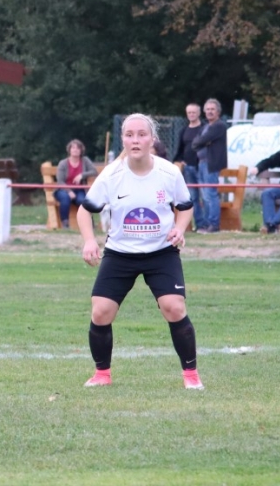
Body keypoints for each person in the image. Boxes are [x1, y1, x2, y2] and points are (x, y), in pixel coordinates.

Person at [76, 113, 202, 390]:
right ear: (123, 139)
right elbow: (85, 211)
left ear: (152, 139)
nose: (135, 140)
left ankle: (191, 376)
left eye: (141, 134)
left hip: (161, 253)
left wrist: (180, 228)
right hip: (119, 253)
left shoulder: (169, 172)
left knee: (174, 307)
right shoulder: (112, 174)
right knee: (101, 312)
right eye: (129, 135)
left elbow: (185, 207)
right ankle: (102, 374)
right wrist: (89, 241)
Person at [190, 98, 227, 233]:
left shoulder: (219, 126)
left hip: (211, 164)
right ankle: (206, 224)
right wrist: (204, 142)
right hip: (201, 163)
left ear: (218, 112)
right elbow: (195, 143)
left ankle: (214, 224)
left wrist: (203, 141)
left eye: (212, 109)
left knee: (211, 194)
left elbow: (202, 140)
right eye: (208, 109)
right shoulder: (205, 127)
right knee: (204, 195)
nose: (210, 112)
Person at [54, 139, 97, 229]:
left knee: (82, 201)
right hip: (63, 189)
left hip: (79, 189)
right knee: (65, 199)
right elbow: (60, 181)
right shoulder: (63, 163)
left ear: (81, 150)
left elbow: (94, 171)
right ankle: (65, 224)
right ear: (69, 150)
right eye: (73, 148)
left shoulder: (85, 160)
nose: (75, 150)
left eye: (78, 148)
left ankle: (89, 223)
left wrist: (82, 175)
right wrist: (69, 191)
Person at [173, 103, 204, 218]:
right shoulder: (183, 130)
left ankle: (209, 224)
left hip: (202, 167)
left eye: (194, 112)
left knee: (206, 197)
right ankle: (199, 223)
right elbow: (180, 149)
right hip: (188, 167)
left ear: (199, 113)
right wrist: (179, 160)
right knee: (193, 197)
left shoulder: (205, 129)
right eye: (189, 112)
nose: (191, 114)